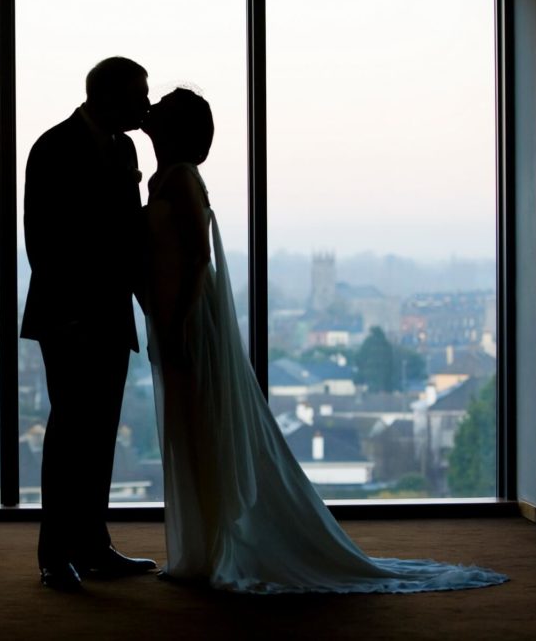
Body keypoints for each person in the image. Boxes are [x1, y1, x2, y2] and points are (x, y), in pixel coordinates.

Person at [141, 87, 508, 594]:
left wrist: (177, 321)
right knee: (192, 427)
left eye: (159, 107)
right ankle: (204, 545)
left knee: (197, 427)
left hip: (183, 320)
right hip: (172, 317)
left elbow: (198, 262)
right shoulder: (169, 177)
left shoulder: (179, 180)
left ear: (173, 128)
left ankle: (208, 547)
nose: (149, 110)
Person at [21, 57, 158, 591]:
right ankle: (55, 556)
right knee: (69, 436)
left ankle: (93, 547)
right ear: (107, 96)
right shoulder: (52, 146)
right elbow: (42, 241)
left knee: (100, 435)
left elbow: (125, 237)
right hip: (68, 319)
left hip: (109, 315)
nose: (145, 105)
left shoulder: (126, 149)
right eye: (138, 94)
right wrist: (71, 314)